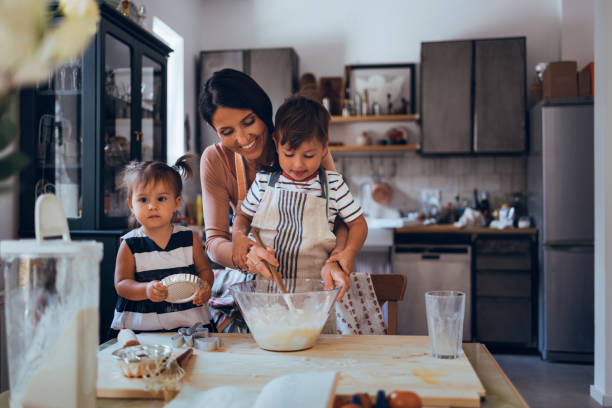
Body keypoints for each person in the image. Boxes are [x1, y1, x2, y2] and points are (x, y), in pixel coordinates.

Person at [199, 69, 350, 331]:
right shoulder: (215, 160)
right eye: (227, 131)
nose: (243, 139)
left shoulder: (301, 144)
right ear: (214, 130)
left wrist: (337, 260)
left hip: (314, 285)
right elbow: (213, 241)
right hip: (261, 289)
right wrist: (244, 255)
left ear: (261, 110)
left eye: (248, 122)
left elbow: (341, 220)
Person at [232, 95, 368, 300]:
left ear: (324, 148)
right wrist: (239, 237)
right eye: (289, 154)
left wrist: (349, 252)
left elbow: (358, 223)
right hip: (266, 295)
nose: (298, 165)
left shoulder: (333, 184)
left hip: (317, 295)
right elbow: (243, 217)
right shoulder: (263, 182)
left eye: (309, 155)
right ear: (276, 144)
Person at [111, 154, 215, 333]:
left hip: (190, 324)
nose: (152, 206)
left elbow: (205, 271)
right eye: (143, 200)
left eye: (161, 199)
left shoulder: (189, 238)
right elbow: (121, 284)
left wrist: (205, 287)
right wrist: (145, 290)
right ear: (131, 205)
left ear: (176, 203)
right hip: (142, 328)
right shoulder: (130, 244)